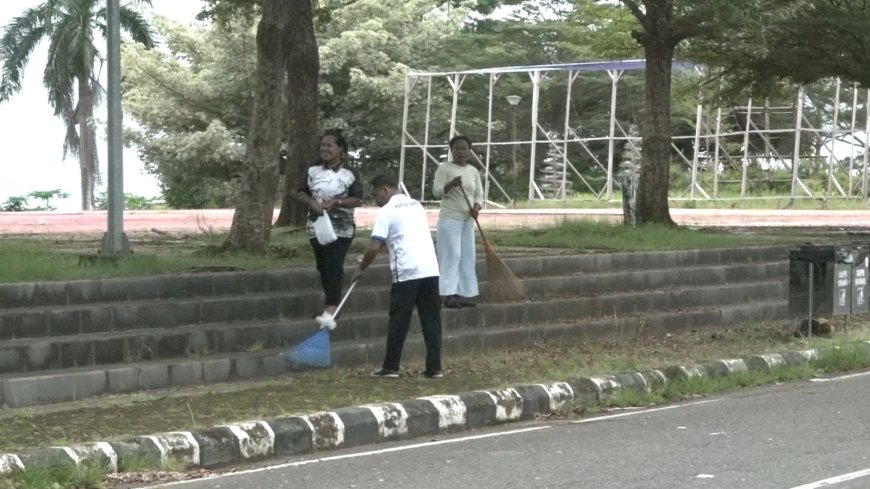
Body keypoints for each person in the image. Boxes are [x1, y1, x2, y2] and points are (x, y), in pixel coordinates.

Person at [351, 174, 443, 379]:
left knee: (399, 320)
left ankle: (391, 366)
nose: (375, 201)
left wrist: (361, 269)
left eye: (376, 195)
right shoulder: (416, 205)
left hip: (406, 271)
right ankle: (434, 367)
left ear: (385, 190)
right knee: (431, 320)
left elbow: (374, 247)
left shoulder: (387, 211)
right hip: (430, 268)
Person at [297, 129, 363, 323]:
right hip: (316, 225)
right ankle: (331, 302)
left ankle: (331, 308)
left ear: (340, 149)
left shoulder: (350, 172)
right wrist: (311, 202)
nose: (324, 149)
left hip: (341, 228)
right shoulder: (312, 170)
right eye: (322, 145)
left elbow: (358, 199)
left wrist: (338, 202)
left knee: (334, 265)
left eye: (329, 145)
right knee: (323, 265)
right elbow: (301, 192)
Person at [432, 135, 484, 309]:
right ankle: (447, 294)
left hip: (467, 219)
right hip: (450, 218)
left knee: (467, 256)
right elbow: (437, 192)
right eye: (457, 148)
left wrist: (476, 207)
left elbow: (478, 194)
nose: (460, 151)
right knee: (451, 254)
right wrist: (451, 184)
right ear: (451, 150)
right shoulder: (444, 169)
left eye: (464, 148)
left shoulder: (473, 171)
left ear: (469, 151)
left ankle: (463, 293)